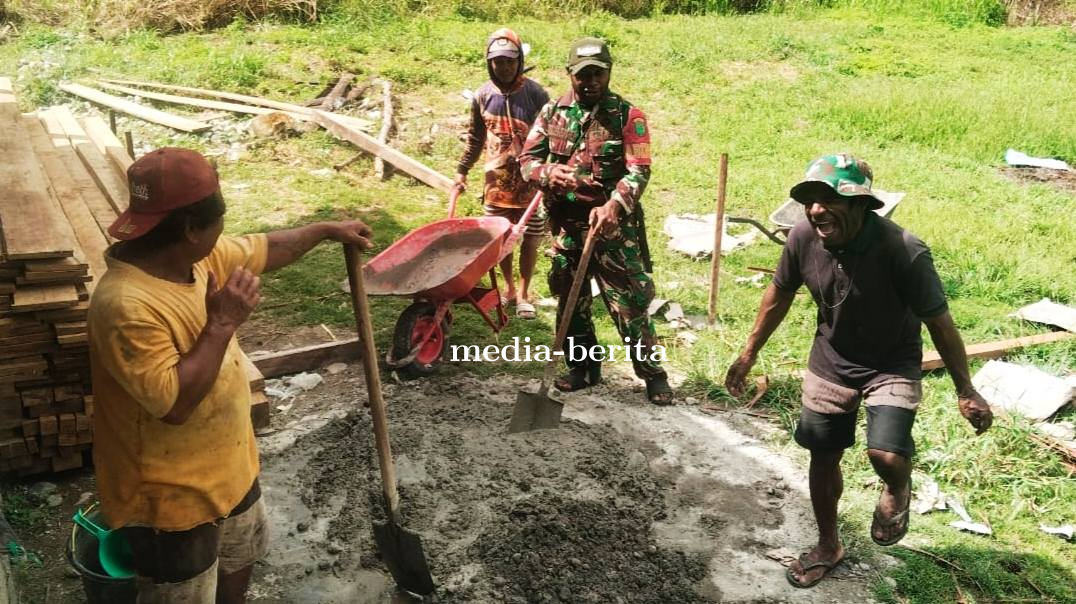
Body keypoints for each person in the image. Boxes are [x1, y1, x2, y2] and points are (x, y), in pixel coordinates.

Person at [88, 148, 372, 603]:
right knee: (184, 592)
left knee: (238, 562)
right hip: (173, 499)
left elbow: (266, 248)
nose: (224, 233)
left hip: (230, 468)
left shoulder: (193, 258)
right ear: (189, 228)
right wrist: (222, 323)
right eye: (219, 219)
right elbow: (175, 404)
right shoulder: (125, 304)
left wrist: (324, 231)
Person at [724, 154, 993, 588]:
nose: (816, 209)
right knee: (823, 454)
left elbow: (940, 323)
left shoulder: (903, 250)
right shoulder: (801, 238)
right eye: (811, 199)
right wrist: (749, 353)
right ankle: (828, 545)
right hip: (831, 360)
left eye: (830, 199)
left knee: (885, 454)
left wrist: (967, 389)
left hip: (892, 363)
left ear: (861, 204)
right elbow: (778, 295)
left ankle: (897, 488)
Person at [519, 37, 672, 405]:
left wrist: (614, 206)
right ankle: (583, 369)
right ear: (570, 74)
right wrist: (546, 172)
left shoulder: (628, 116)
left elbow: (639, 171)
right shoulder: (551, 112)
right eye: (583, 75)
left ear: (608, 72)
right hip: (566, 228)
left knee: (629, 303)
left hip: (613, 229)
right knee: (571, 301)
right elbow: (526, 161)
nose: (591, 82)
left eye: (598, 74)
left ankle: (653, 375)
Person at [454, 28, 550, 319]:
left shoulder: (535, 94)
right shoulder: (482, 95)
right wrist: (462, 171)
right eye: (498, 61)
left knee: (531, 238)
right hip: (496, 183)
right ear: (489, 62)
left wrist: (549, 170)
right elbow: (475, 138)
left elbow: (552, 136)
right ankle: (507, 289)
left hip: (529, 183)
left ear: (519, 60)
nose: (504, 66)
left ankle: (524, 293)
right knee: (502, 240)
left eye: (510, 60)